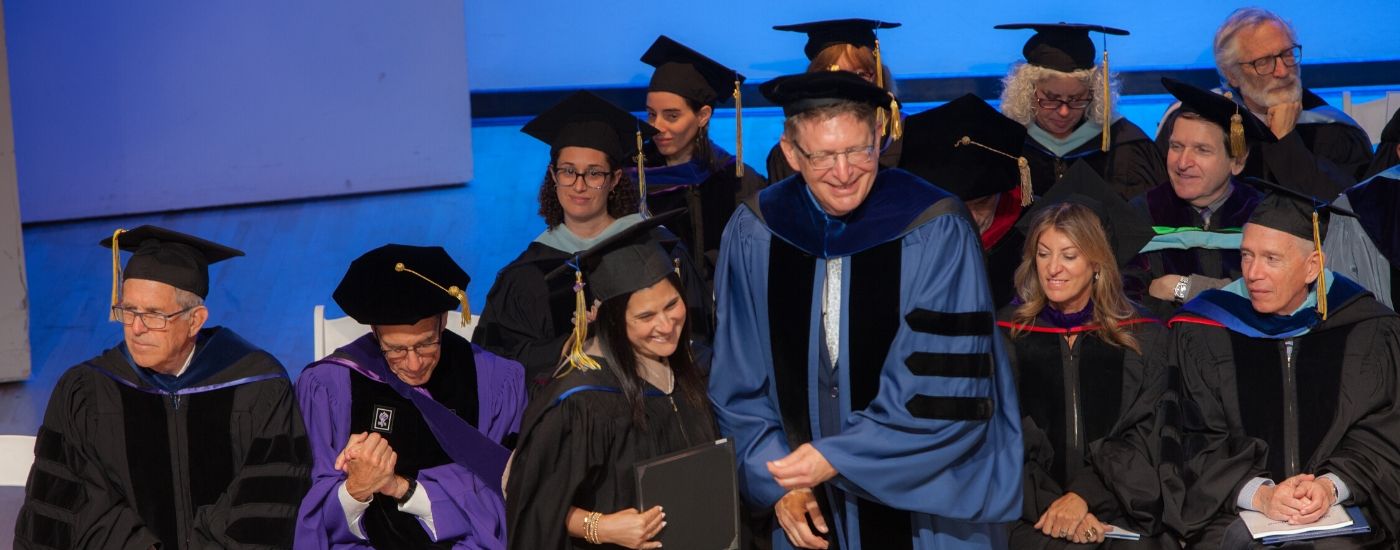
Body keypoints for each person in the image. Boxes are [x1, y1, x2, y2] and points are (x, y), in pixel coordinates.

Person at [709, 70, 1023, 549]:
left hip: (925, 509)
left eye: (858, 150)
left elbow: (945, 388)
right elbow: (738, 380)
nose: (844, 171)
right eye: (824, 155)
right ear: (791, 153)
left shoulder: (934, 227)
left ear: (879, 137)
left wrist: (838, 457)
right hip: (805, 504)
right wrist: (779, 481)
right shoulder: (757, 230)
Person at [15, 226, 310, 549]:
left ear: (195, 320)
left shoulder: (259, 387)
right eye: (128, 311)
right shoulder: (88, 391)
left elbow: (266, 503)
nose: (137, 328)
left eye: (154, 315)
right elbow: (75, 506)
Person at [1167, 184, 1400, 547]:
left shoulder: (1368, 328)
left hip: (1342, 513)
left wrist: (1330, 486)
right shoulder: (1204, 330)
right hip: (1233, 512)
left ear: (1312, 267)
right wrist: (1259, 494)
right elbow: (1190, 437)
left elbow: (1385, 432)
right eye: (1246, 256)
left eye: (1271, 259)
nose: (1253, 273)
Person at [472, 91, 712, 393]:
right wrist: (577, 341)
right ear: (553, 175)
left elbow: (699, 337)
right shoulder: (525, 275)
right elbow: (500, 364)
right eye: (569, 171)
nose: (580, 185)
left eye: (595, 173)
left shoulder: (658, 247)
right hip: (576, 418)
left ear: (613, 180)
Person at [506, 214, 718, 550]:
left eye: (672, 304)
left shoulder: (689, 371)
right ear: (614, 321)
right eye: (645, 316)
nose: (666, 324)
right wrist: (600, 527)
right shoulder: (580, 400)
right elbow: (530, 501)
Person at [295, 244, 525, 549]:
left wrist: (402, 488)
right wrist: (355, 490)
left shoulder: (496, 381)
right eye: (396, 349)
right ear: (375, 333)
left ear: (443, 321)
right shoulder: (328, 386)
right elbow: (314, 507)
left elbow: (505, 491)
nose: (414, 363)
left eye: (427, 344)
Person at [998, 163, 1176, 548]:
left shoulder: (1143, 337)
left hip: (1119, 509)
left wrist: (1083, 499)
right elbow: (1000, 438)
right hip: (1032, 513)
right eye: (1043, 254)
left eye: (1069, 255)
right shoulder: (1007, 336)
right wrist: (1056, 509)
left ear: (1097, 263)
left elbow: (1145, 436)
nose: (1053, 269)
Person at [1156, 8, 1373, 197]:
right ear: (1232, 75)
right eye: (1263, 62)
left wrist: (1286, 143)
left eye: (1287, 54)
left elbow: (1348, 212)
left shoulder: (1334, 130)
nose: (1282, 71)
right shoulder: (1194, 120)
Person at [1127, 78, 1272, 319]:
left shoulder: (1265, 217)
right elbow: (1126, 296)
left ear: (1237, 161)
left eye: (1202, 150)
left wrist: (1181, 287)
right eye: (1176, 146)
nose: (1183, 163)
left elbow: (1274, 294)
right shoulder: (1141, 215)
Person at [635, 35, 765, 286]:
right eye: (651, 115)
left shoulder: (737, 180)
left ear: (703, 115)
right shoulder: (632, 176)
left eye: (672, 116)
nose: (657, 127)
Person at [996, 23, 1165, 200]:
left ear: (1094, 92)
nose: (1063, 112)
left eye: (1076, 99)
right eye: (1051, 98)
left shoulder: (1127, 145)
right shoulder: (1004, 144)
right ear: (1028, 91)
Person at [899, 92, 1032, 309]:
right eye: (952, 205)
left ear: (1002, 194)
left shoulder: (1031, 235)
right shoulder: (900, 243)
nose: (968, 218)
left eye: (981, 204)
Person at [766, 18, 902, 184]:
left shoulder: (909, 139)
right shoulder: (792, 153)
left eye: (860, 74)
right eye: (833, 73)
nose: (847, 85)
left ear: (878, 77)